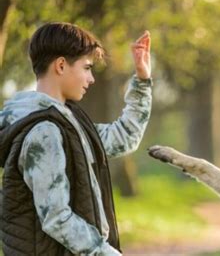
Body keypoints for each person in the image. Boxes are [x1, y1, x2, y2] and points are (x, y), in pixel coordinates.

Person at [0, 22, 152, 255]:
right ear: (61, 65)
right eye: (87, 67)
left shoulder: (68, 123)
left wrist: (142, 81)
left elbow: (123, 137)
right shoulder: (44, 132)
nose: (91, 78)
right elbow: (57, 217)